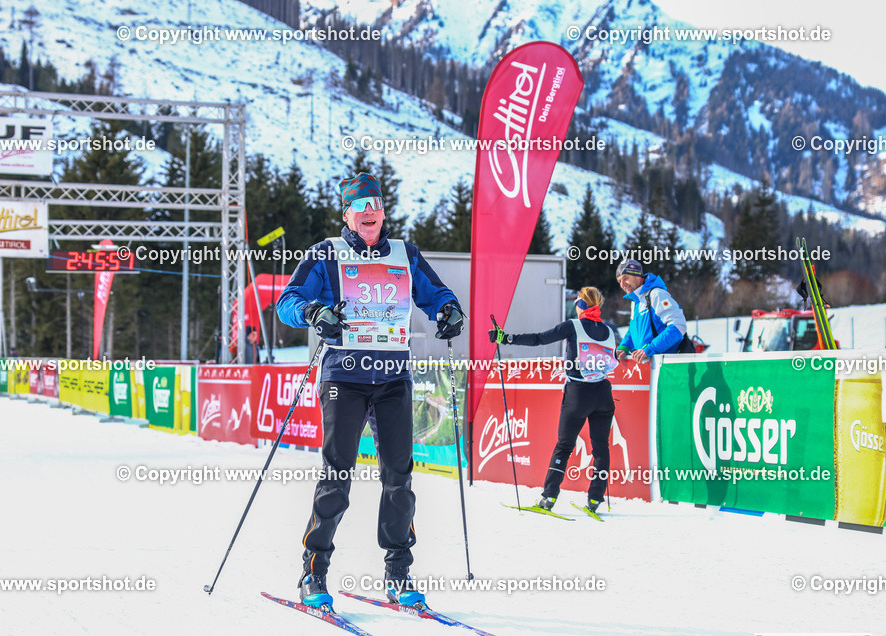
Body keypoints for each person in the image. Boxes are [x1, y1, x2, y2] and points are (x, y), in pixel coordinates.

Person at [276, 171, 463, 610]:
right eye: (360, 208)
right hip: (345, 377)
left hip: (393, 378)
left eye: (375, 206)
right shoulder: (327, 254)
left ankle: (398, 573)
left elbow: (436, 293)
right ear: (347, 215)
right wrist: (315, 311)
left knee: (399, 478)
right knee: (337, 475)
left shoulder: (405, 254)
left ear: (383, 213)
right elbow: (287, 301)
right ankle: (313, 570)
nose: (369, 213)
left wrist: (450, 310)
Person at [488, 286, 618, 513]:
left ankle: (549, 498)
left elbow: (540, 339)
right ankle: (595, 500)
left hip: (579, 394)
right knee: (601, 449)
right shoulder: (608, 332)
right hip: (603, 394)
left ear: (582, 306)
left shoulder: (573, 326)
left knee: (564, 446)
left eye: (578, 302)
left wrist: (506, 338)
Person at [614, 259, 689, 361]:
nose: (622, 285)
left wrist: (651, 348)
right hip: (649, 368)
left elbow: (678, 326)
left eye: (625, 278)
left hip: (666, 366)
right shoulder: (636, 302)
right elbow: (633, 331)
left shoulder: (656, 295)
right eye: (619, 281)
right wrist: (623, 347)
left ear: (637, 275)